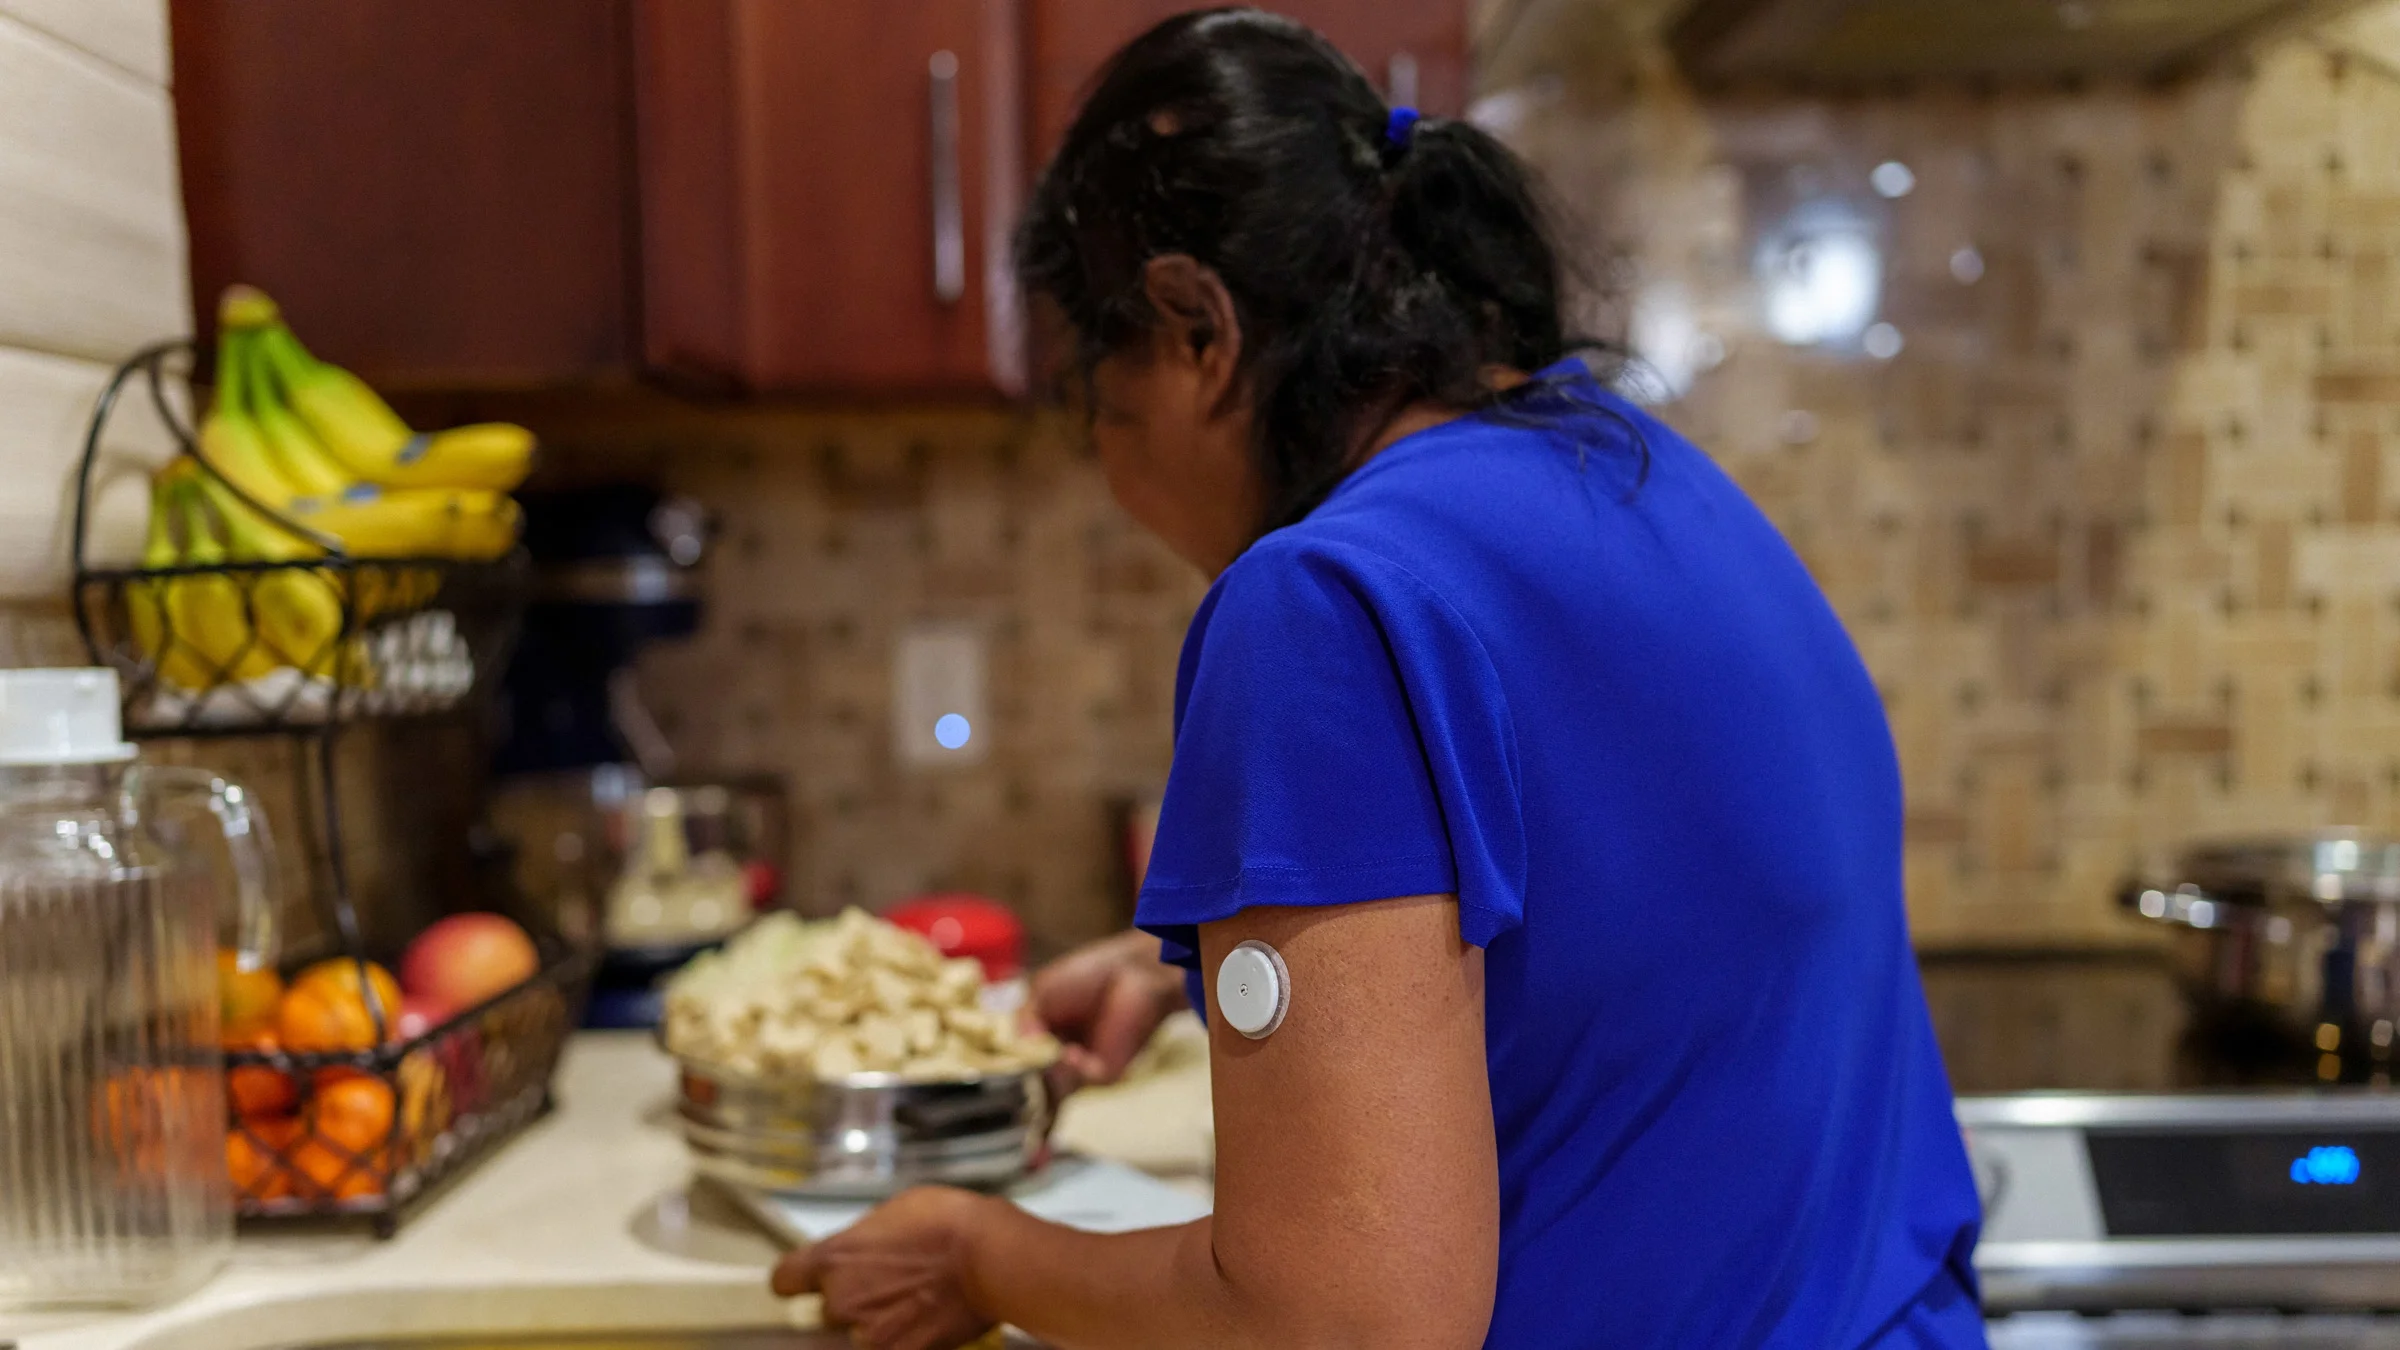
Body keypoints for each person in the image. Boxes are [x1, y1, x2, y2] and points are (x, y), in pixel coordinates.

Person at [771, 10, 1984, 1347]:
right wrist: (1207, 971)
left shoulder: (1321, 599)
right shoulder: (1649, 479)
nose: (1108, 467)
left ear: (1195, 328)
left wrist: (985, 1254)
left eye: (1094, 400)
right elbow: (1642, 938)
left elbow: (1346, 1315)